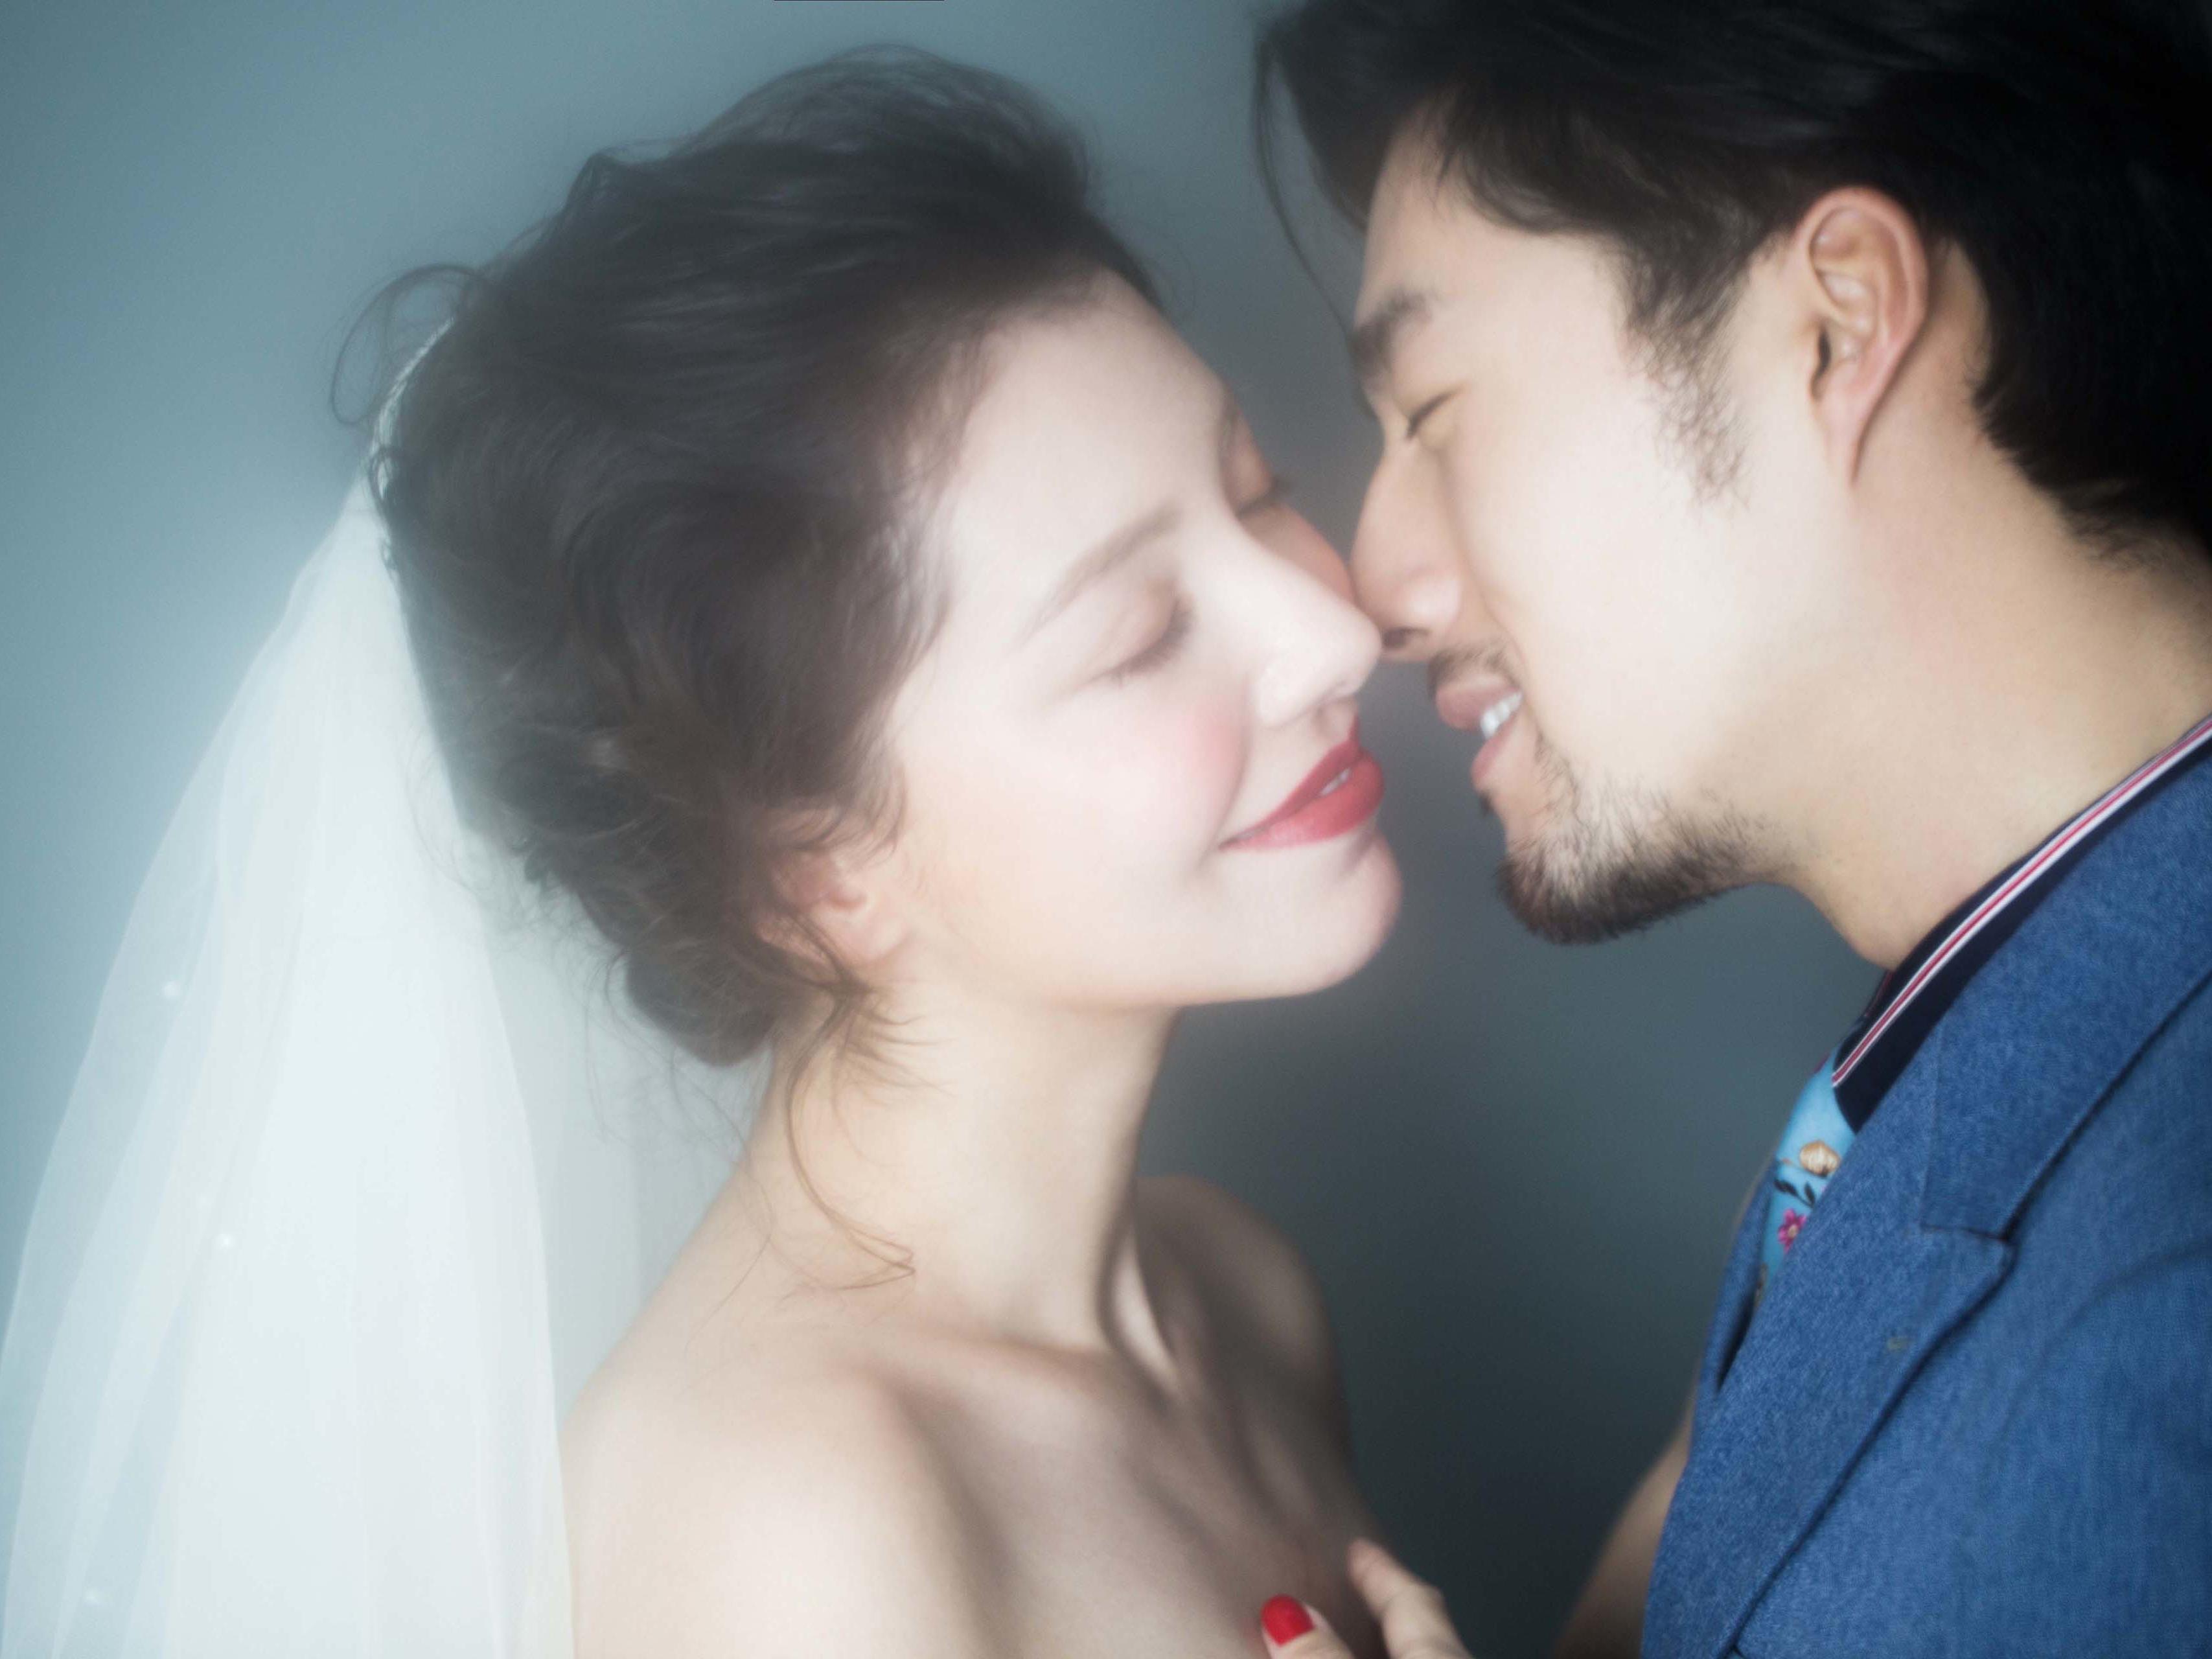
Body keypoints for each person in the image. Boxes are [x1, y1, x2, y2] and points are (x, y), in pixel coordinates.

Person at [0, 48, 1409, 1659]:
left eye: (1259, 490)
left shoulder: (1241, 1292)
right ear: (816, 864)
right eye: (1141, 633)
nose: (1335, 630)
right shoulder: (777, 1538)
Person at [1236, 1, 2212, 1656]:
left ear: (1838, 322)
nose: (1374, 586)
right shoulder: (1979, 1049)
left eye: (1435, 410)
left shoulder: (2162, 1330)